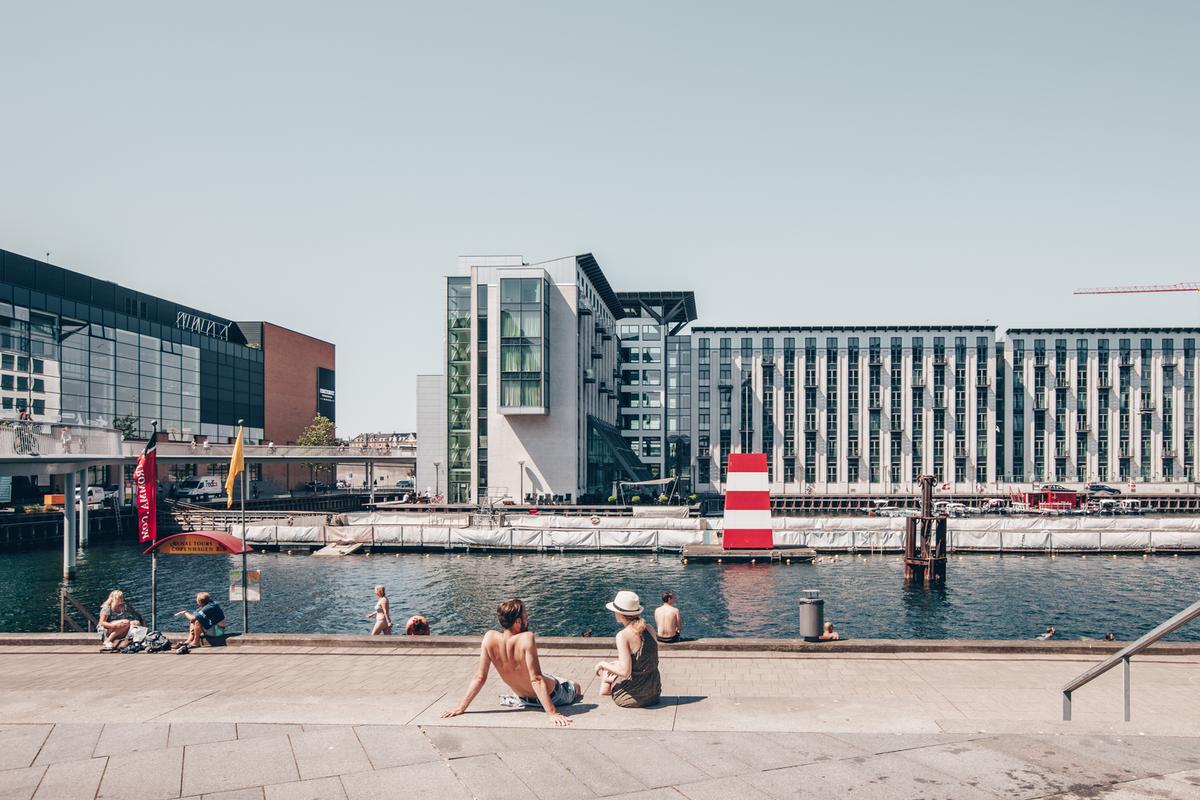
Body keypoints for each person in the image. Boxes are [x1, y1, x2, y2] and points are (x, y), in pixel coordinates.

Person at [441, 598, 580, 726]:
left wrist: (461, 707)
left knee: (546, 676)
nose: (528, 618)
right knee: (576, 686)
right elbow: (536, 679)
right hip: (553, 696)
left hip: (522, 699)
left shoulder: (489, 638)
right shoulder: (526, 638)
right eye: (526, 616)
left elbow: (480, 677)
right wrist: (552, 713)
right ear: (518, 622)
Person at [595, 590, 662, 708]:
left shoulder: (623, 635)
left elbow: (625, 672)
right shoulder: (649, 628)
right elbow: (646, 659)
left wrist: (602, 664)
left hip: (634, 698)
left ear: (619, 614)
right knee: (616, 665)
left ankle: (606, 688)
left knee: (608, 673)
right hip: (654, 693)